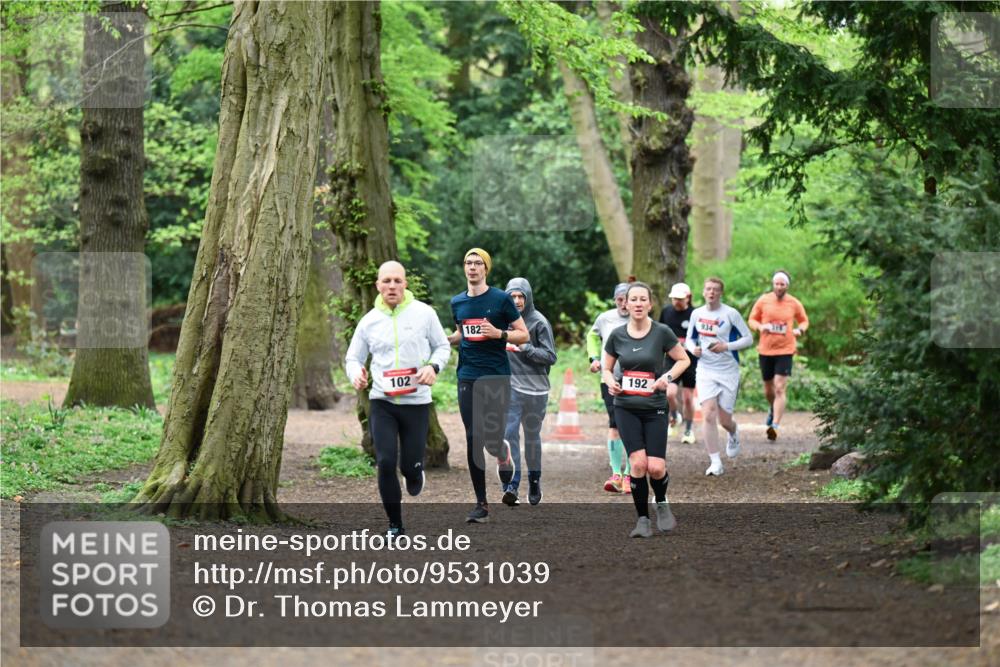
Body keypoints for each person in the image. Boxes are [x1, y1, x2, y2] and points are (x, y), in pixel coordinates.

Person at [345, 261, 451, 537]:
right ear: (378, 285)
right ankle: (395, 525)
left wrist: (433, 367)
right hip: (382, 402)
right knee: (386, 461)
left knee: (410, 467)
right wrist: (356, 374)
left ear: (405, 284)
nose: (392, 286)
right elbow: (353, 358)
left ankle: (415, 472)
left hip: (417, 403)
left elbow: (442, 347)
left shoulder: (424, 314)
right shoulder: (368, 321)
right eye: (386, 281)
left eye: (397, 281)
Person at [448, 248, 530, 523]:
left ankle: (502, 452)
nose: (472, 267)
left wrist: (499, 334)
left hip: (496, 375)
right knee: (473, 438)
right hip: (467, 375)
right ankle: (481, 504)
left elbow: (523, 335)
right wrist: (447, 340)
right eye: (468, 263)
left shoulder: (501, 299)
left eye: (477, 263)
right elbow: (462, 332)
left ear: (486, 269)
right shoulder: (457, 302)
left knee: (492, 440)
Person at [603, 282, 690, 538]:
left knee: (656, 468)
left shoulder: (662, 332)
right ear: (626, 304)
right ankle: (642, 520)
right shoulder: (617, 334)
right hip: (626, 407)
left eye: (643, 299)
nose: (638, 304)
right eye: (634, 299)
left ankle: (661, 503)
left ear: (650, 304)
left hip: (655, 409)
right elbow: (607, 369)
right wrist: (611, 383)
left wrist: (668, 378)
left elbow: (683, 359)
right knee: (638, 464)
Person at [686, 277, 753, 477]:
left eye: (715, 289)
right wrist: (693, 349)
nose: (712, 292)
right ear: (703, 292)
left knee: (725, 420)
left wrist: (726, 346)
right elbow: (689, 338)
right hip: (705, 369)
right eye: (708, 289)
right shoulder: (697, 313)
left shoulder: (730, 313)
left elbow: (748, 338)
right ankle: (715, 462)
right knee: (708, 414)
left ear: (720, 293)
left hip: (728, 370)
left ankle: (733, 432)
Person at [500, 278, 557, 507]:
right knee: (509, 433)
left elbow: (551, 357)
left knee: (531, 438)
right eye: (512, 297)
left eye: (520, 296)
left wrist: (528, 349)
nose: (516, 301)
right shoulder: (502, 321)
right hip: (510, 388)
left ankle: (534, 480)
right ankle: (512, 485)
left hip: (535, 389)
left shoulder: (539, 322)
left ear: (528, 298)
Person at [748, 270, 809, 441]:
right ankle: (772, 408)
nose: (779, 287)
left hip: (786, 349)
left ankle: (774, 425)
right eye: (777, 284)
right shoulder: (764, 300)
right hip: (766, 349)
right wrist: (760, 327)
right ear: (773, 284)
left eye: (782, 284)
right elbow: (752, 319)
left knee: (780, 387)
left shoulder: (794, 303)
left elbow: (804, 320)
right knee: (768, 390)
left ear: (787, 286)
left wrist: (800, 329)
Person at [587, 282, 632, 493]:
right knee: (615, 424)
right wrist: (594, 358)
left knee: (633, 425)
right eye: (619, 300)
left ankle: (631, 475)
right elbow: (592, 336)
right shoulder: (605, 318)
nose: (623, 304)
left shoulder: (642, 319)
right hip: (609, 378)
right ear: (615, 300)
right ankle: (616, 474)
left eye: (627, 299)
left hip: (636, 378)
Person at [659, 282, 698, 445]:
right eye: (674, 298)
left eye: (680, 298)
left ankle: (688, 430)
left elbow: (702, 336)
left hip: (691, 360)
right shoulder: (666, 312)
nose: (677, 301)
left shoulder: (695, 314)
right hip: (671, 359)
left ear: (688, 297)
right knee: (669, 393)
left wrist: (695, 347)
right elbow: (660, 332)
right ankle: (674, 416)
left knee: (688, 399)